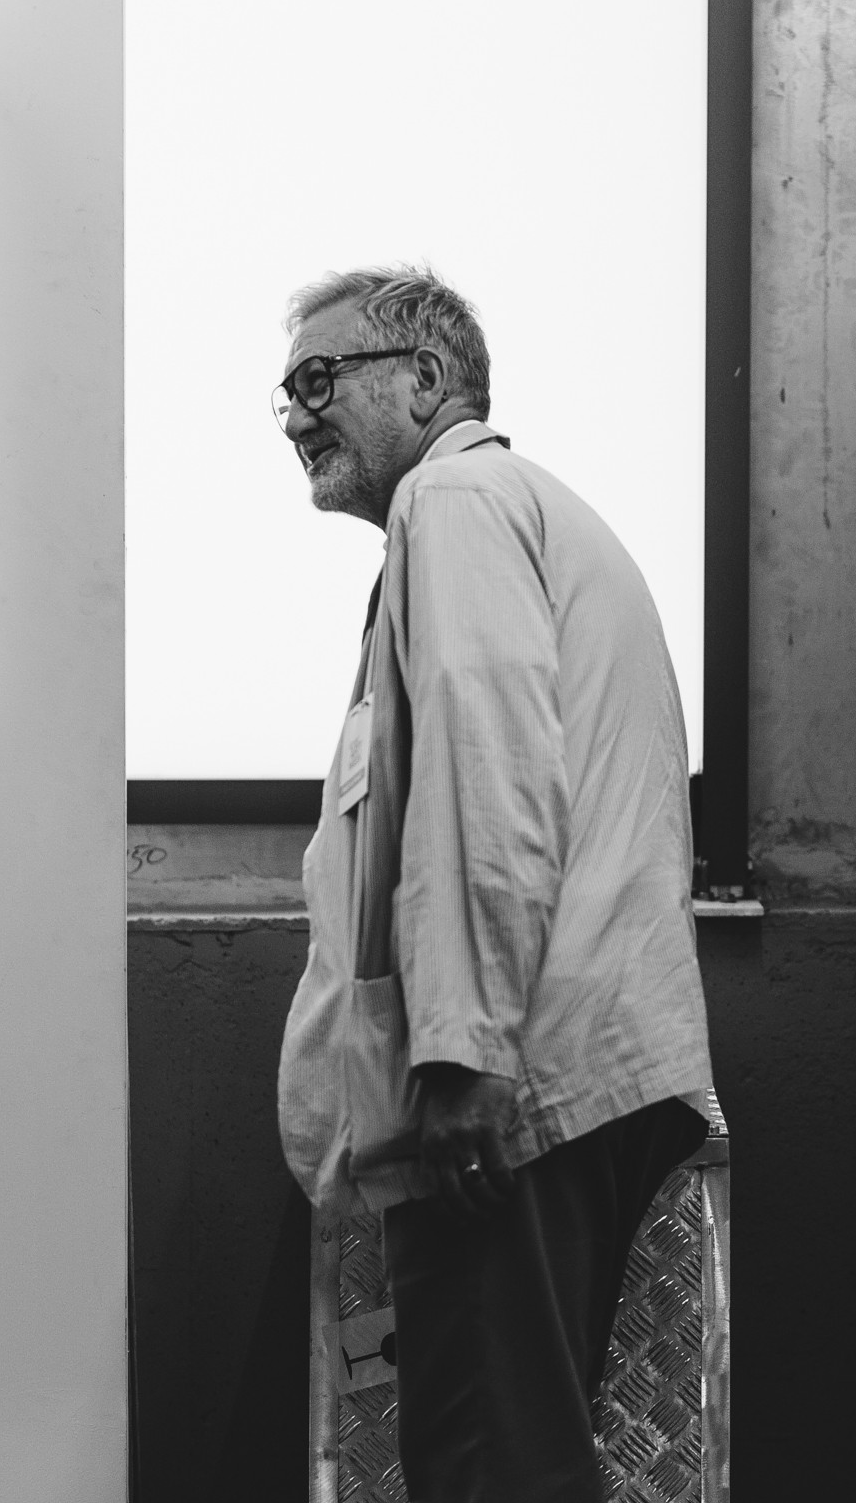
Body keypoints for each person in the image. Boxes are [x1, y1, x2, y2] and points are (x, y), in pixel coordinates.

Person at [273, 265, 715, 1503]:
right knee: (512, 1465)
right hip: (556, 1073)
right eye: (286, 392)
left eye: (322, 377)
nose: (297, 415)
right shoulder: (499, 511)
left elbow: (488, 773)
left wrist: (463, 1056)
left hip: (511, 1090)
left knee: (487, 1474)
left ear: (426, 378)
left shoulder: (457, 499)